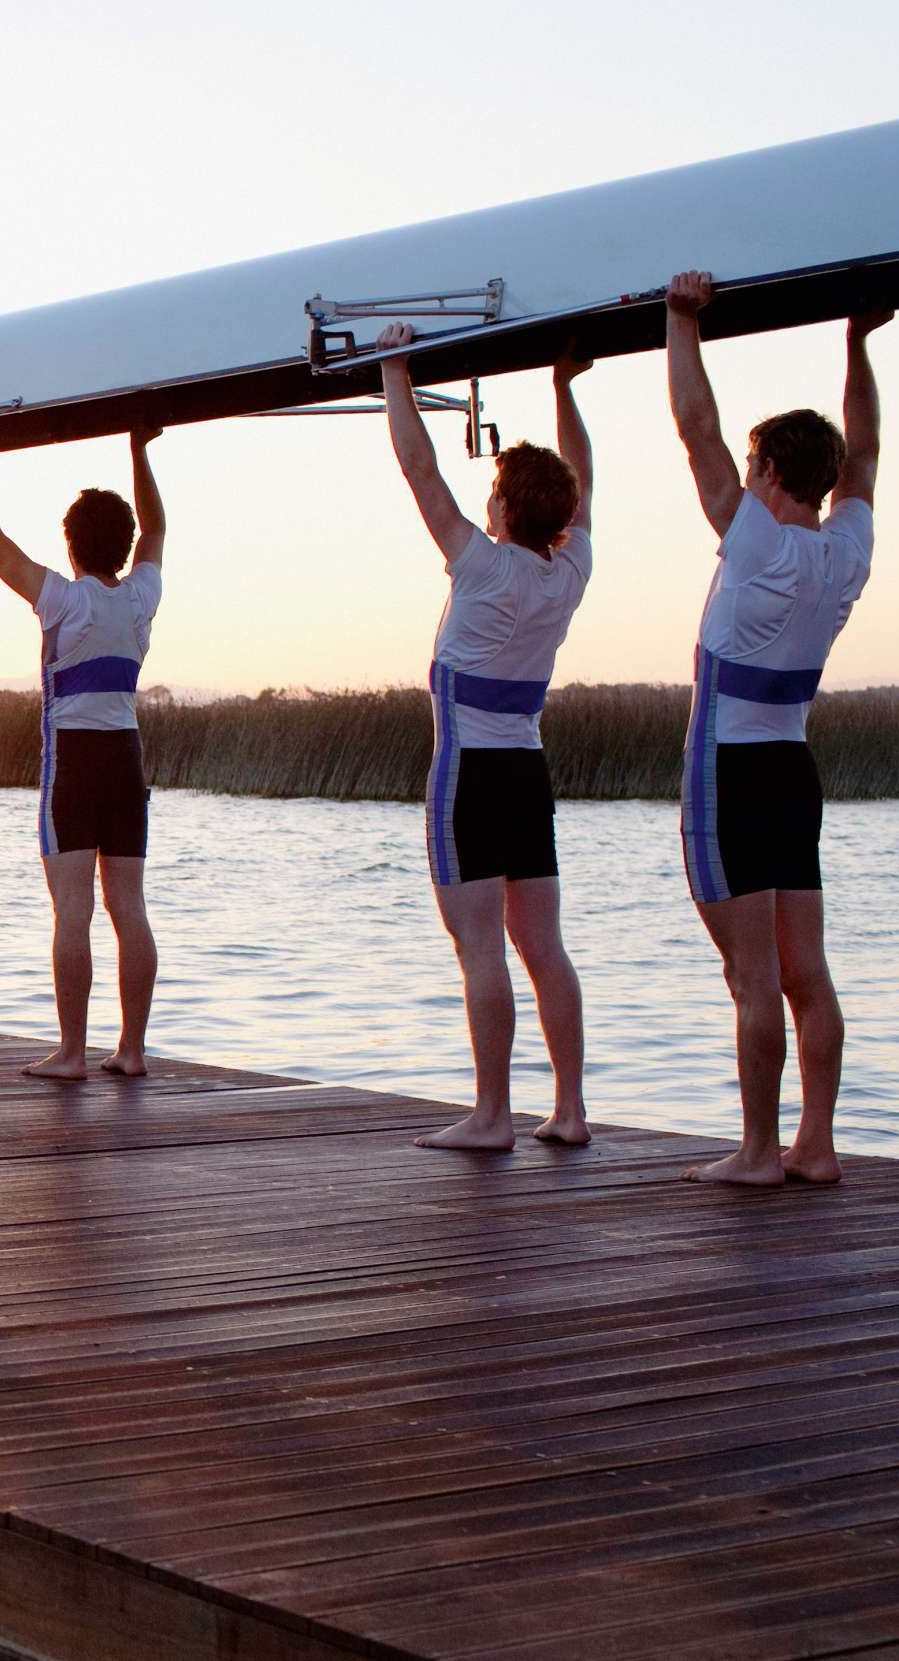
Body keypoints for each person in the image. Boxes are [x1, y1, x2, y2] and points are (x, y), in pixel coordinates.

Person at [663, 270, 889, 1186]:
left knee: (753, 976)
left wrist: (681, 321)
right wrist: (857, 341)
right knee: (807, 972)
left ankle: (759, 1152)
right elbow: (866, 452)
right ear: (822, 481)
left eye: (750, 468)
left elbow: (694, 428)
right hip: (794, 771)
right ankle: (817, 1146)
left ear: (764, 475)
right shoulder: (846, 552)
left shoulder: (753, 540)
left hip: (729, 774)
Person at [371, 321, 596, 1151]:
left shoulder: (479, 561)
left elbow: (419, 468)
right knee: (543, 946)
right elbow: (586, 484)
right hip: (527, 773)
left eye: (494, 493)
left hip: (468, 776)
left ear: (500, 509)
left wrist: (395, 369)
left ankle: (494, 1115)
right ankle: (569, 1109)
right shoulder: (571, 569)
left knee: (480, 949)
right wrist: (564, 388)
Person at [0, 398, 165, 1081]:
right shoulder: (140, 597)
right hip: (127, 761)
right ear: (123, 546)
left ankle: (72, 1053)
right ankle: (130, 1050)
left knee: (72, 912)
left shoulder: (65, 600)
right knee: (128, 907)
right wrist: (140, 449)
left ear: (71, 546)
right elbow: (157, 527)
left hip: (73, 765)